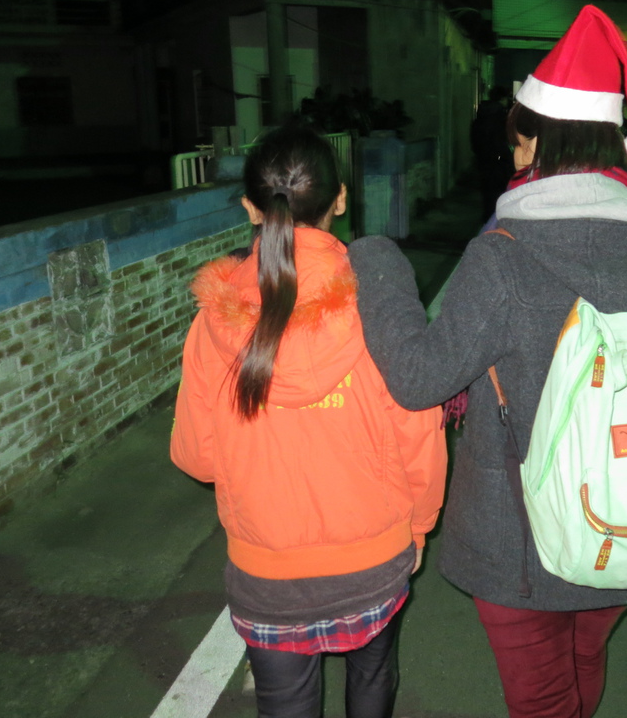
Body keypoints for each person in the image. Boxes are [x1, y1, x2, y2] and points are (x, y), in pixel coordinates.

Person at [349, 5, 627, 718]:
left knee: (544, 699)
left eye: (519, 144)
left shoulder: (505, 252)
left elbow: (421, 377)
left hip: (520, 533)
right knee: (582, 661)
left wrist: (379, 264)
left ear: (539, 140)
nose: (515, 161)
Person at [170, 124, 447, 718]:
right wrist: (419, 527)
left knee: (285, 703)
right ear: (340, 200)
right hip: (373, 558)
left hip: (267, 571)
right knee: (373, 678)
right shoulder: (380, 306)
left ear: (250, 207)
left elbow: (198, 458)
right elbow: (419, 431)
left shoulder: (214, 321)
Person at [471, 85, 516, 221]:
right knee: (499, 192)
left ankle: (487, 218)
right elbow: (502, 141)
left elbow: (474, 138)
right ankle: (495, 220)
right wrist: (507, 158)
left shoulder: (481, 115)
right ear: (502, 98)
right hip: (499, 161)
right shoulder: (500, 116)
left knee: (487, 192)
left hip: (483, 159)